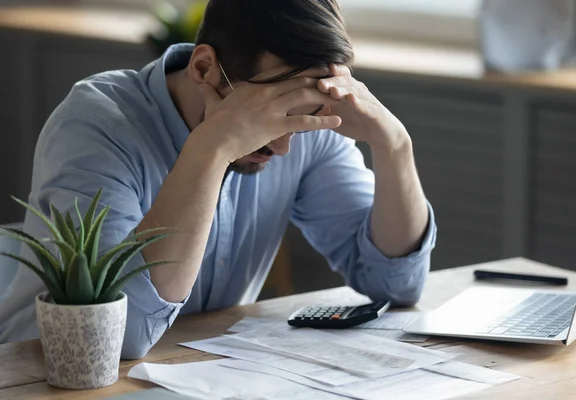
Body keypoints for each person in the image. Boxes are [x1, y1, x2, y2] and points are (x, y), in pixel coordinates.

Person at [0, 0, 436, 359]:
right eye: (270, 111)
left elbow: (394, 283)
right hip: (45, 377)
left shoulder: (305, 132)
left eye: (303, 115)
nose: (285, 147)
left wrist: (394, 144)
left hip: (197, 370)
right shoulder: (96, 125)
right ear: (205, 68)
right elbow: (120, 335)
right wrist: (210, 149)